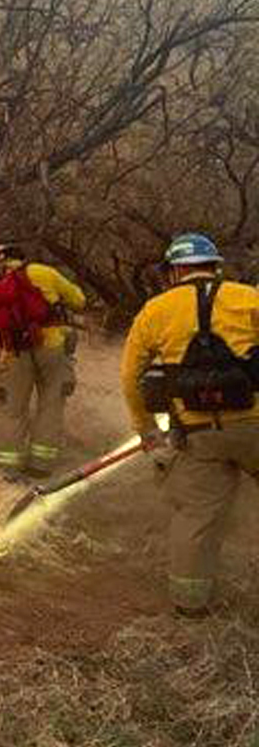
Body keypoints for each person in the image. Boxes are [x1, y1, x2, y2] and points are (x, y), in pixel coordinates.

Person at [120, 232, 259, 618]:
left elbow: (131, 375)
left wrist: (146, 428)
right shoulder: (249, 298)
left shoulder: (155, 310)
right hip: (255, 425)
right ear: (215, 266)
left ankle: (190, 606)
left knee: (195, 518)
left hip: (198, 435)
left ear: (175, 270)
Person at [0, 242, 86, 479]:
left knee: (11, 410)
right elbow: (79, 300)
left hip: (13, 351)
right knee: (50, 406)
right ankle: (40, 466)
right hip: (52, 346)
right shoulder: (43, 272)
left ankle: (8, 468)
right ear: (22, 257)